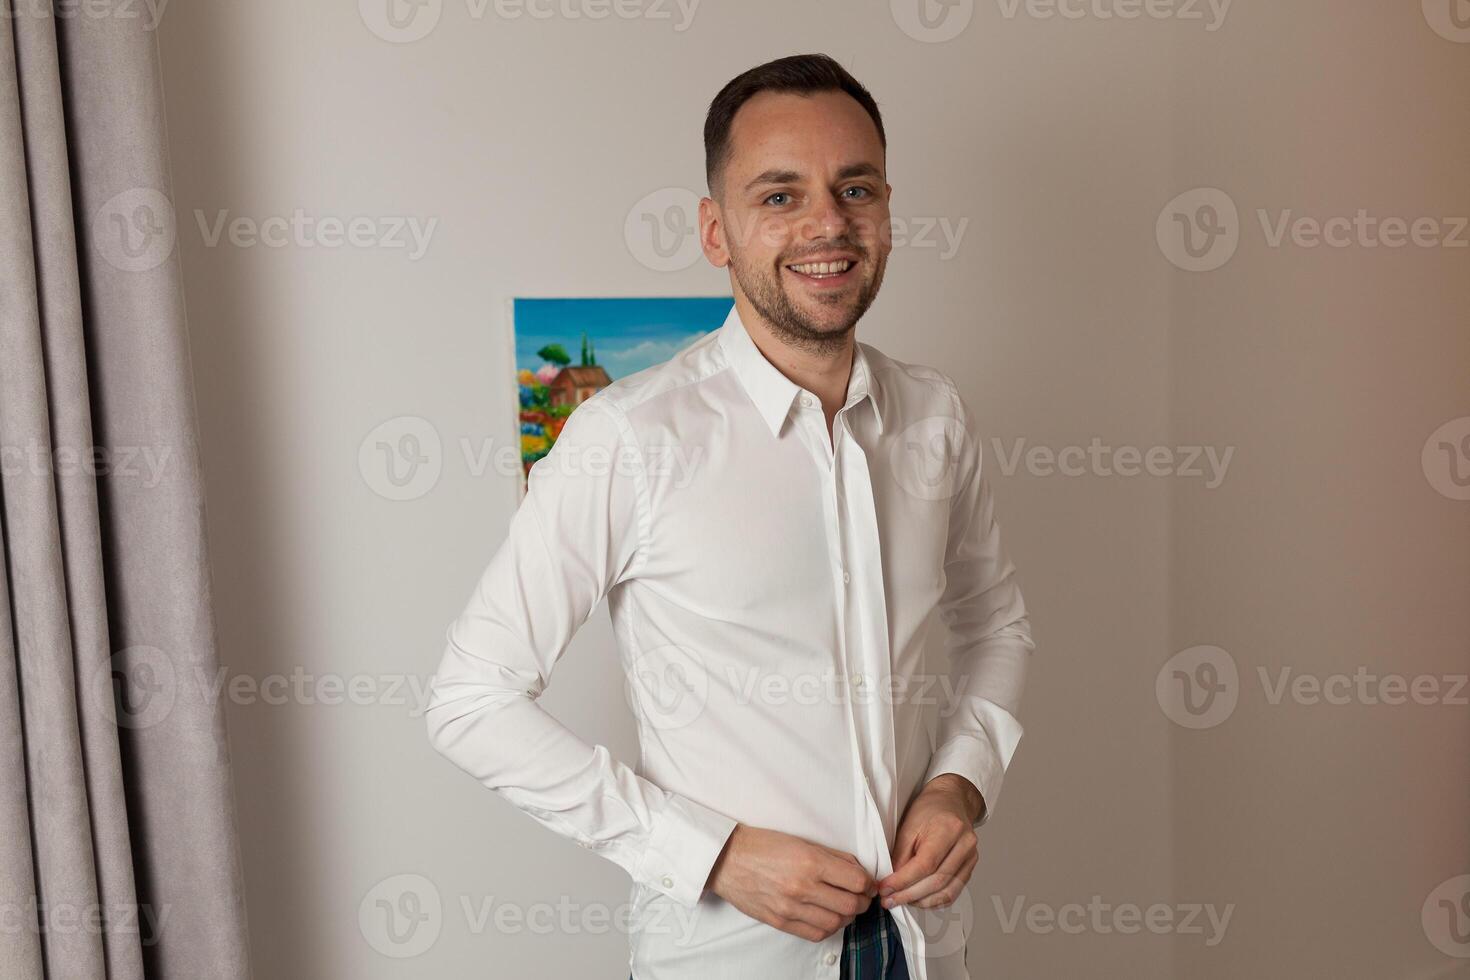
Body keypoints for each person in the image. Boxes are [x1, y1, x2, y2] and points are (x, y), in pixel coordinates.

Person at [425, 52, 1034, 980]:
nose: (829, 224)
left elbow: (995, 622)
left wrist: (960, 783)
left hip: (922, 947)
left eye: (855, 188)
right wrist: (711, 853)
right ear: (717, 232)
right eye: (779, 196)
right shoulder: (626, 438)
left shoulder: (936, 416)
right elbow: (470, 701)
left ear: (887, 209)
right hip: (730, 959)